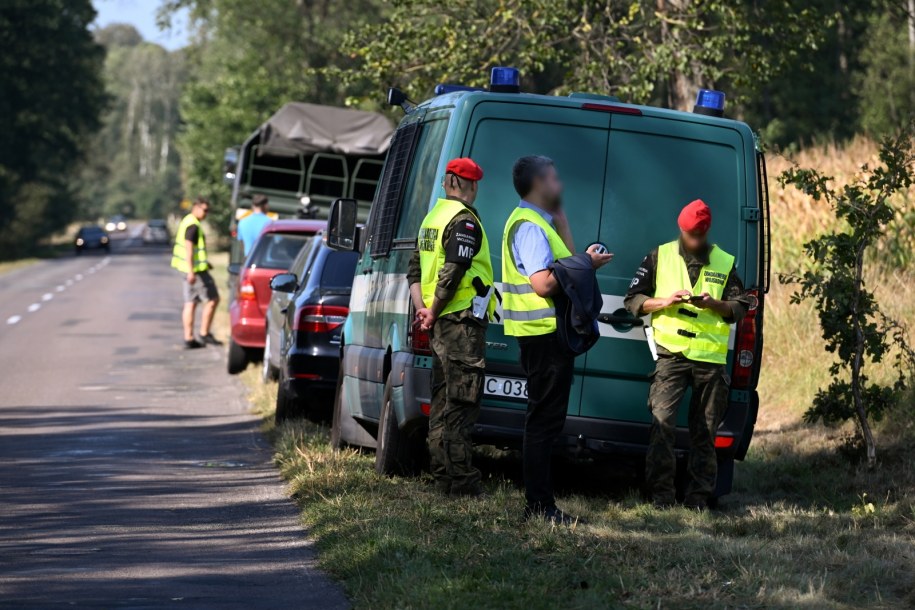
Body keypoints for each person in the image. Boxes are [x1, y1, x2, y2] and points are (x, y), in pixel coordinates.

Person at [501, 156, 612, 524]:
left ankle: (541, 502)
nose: (559, 184)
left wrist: (566, 227)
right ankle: (539, 506)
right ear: (537, 184)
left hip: (549, 337)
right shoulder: (530, 227)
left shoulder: (542, 223)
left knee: (546, 420)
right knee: (543, 422)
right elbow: (543, 283)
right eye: (553, 178)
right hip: (543, 337)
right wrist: (587, 264)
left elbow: (566, 266)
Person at [623, 199, 751, 510]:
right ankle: (661, 498)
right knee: (662, 425)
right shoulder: (660, 255)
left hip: (710, 360)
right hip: (671, 357)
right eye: (690, 235)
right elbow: (633, 300)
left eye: (700, 236)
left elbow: (739, 308)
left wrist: (713, 304)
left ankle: (698, 500)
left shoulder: (724, 261)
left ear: (707, 232)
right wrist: (664, 301)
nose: (694, 241)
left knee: (705, 433)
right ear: (681, 230)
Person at [407, 158, 494, 497]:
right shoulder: (463, 222)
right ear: (466, 185)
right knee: (462, 401)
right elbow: (453, 272)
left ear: (446, 184)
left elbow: (414, 271)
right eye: (475, 184)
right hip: (459, 322)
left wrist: (423, 311)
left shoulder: (432, 219)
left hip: (439, 322)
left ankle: (443, 475)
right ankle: (462, 482)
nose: (476, 190)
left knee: (443, 400)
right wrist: (433, 309)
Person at [171, 197, 222, 349]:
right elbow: (189, 249)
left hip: (188, 269)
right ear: (196, 207)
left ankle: (189, 338)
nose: (206, 213)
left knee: (191, 303)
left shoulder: (188, 220)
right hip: (195, 271)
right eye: (205, 210)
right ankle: (204, 333)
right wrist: (192, 271)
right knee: (213, 299)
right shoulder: (193, 225)